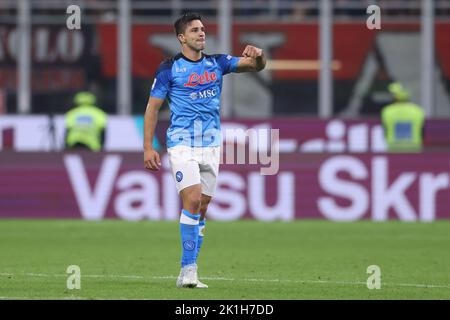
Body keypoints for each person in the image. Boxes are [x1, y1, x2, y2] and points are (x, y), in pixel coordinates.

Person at [143, 12, 266, 288]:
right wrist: (148, 146)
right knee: (194, 200)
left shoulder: (217, 62)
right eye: (195, 30)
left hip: (211, 144)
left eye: (203, 29)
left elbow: (256, 67)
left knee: (203, 207)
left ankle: (187, 271)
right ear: (181, 38)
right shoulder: (169, 68)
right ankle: (189, 270)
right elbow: (153, 108)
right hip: (182, 142)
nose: (202, 33)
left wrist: (259, 55)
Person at [381, 82, 425, 152]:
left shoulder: (387, 111)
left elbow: (385, 130)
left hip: (393, 147)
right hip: (414, 148)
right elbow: (422, 131)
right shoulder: (418, 110)